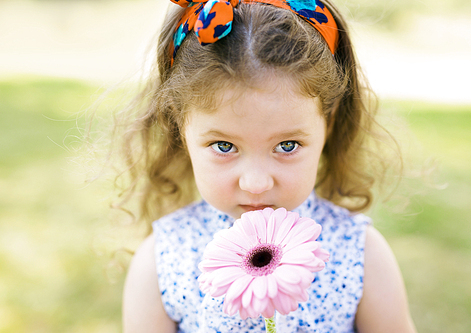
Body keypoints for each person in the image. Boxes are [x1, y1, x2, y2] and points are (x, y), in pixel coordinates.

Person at [118, 0, 418, 331]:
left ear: (328, 125)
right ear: (180, 129)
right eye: (224, 146)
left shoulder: (360, 254)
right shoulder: (163, 260)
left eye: (286, 146)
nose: (256, 182)